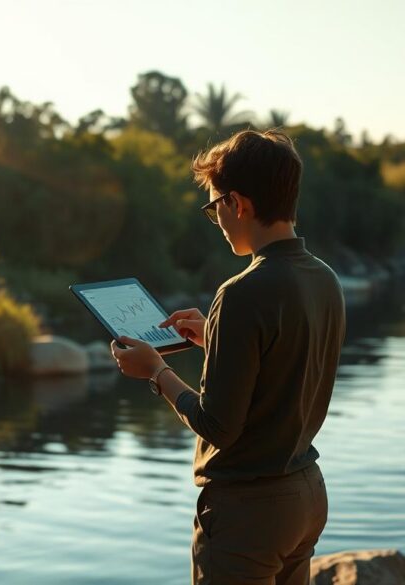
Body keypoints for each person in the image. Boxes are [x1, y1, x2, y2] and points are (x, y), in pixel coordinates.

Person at [110, 129, 346, 585]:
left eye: (214, 205)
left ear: (239, 203)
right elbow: (284, 360)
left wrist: (156, 372)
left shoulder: (240, 293)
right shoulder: (325, 279)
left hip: (249, 512)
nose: (215, 218)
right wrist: (216, 337)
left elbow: (218, 425)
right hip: (306, 495)